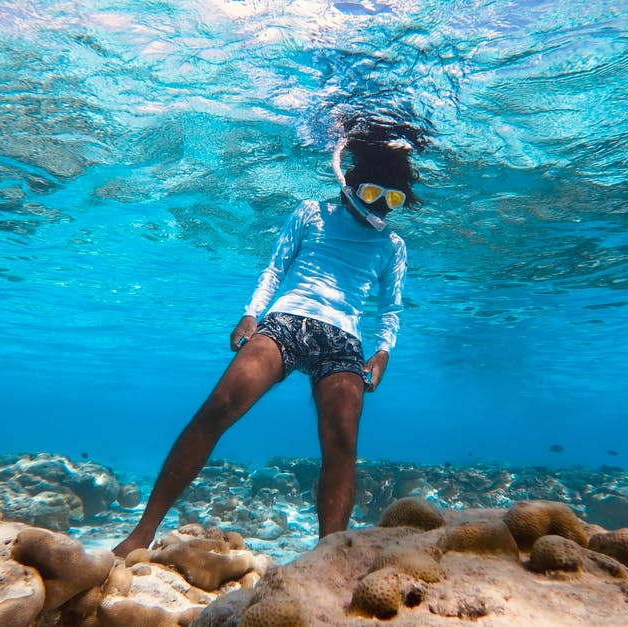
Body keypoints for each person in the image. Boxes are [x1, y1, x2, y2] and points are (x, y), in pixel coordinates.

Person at [112, 123, 417, 557]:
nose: (382, 208)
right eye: (373, 194)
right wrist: (251, 312)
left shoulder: (393, 245)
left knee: (342, 441)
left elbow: (391, 308)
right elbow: (274, 269)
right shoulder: (311, 212)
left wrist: (384, 349)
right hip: (286, 320)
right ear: (349, 185)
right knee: (218, 407)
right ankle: (143, 531)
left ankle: (329, 559)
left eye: (393, 200)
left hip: (344, 339)